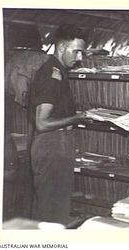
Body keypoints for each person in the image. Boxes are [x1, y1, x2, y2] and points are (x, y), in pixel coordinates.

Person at [28, 24, 89, 225]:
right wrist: (79, 117)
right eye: (76, 51)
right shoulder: (50, 74)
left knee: (58, 207)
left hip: (59, 144)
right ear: (62, 47)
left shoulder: (60, 72)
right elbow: (42, 123)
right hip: (50, 145)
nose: (80, 58)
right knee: (49, 211)